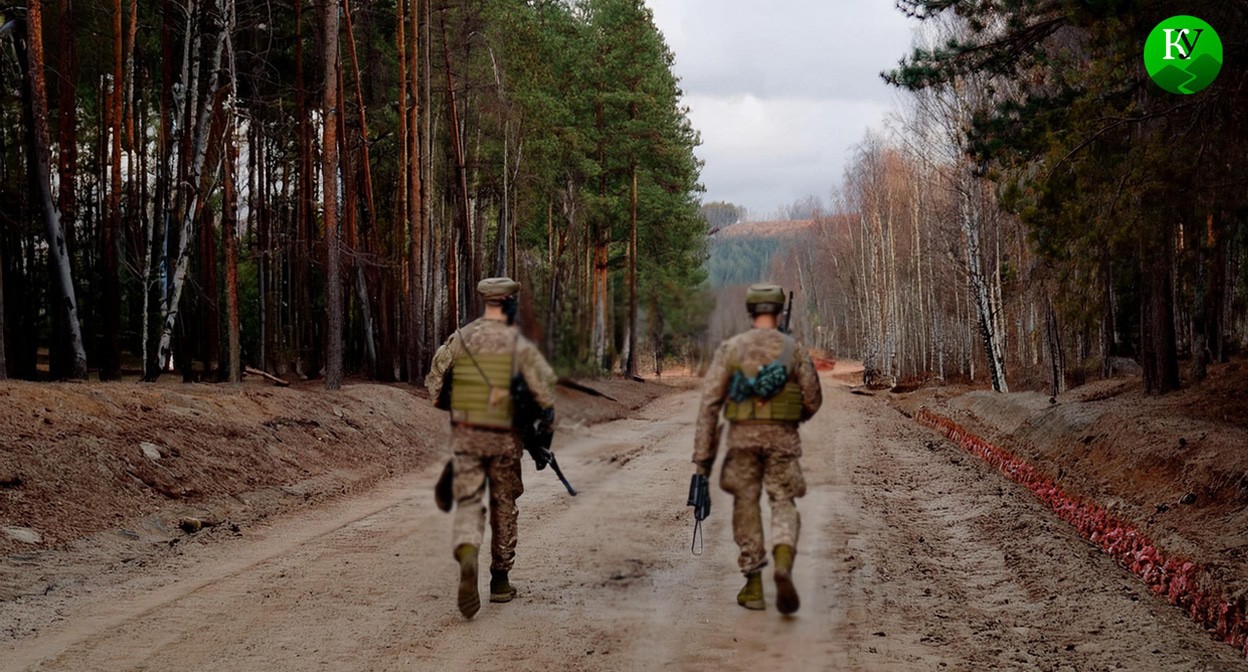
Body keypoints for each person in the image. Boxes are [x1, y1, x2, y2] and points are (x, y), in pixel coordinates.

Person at [426, 277, 557, 619]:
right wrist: (542, 442)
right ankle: (500, 581)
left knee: (469, 500)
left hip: (468, 436)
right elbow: (546, 401)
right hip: (505, 441)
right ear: (510, 303)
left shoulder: (462, 337)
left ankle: (468, 554)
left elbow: (434, 381)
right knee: (503, 504)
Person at [691, 283, 823, 614]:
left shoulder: (731, 349)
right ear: (779, 312)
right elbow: (812, 399)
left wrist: (702, 462)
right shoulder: (794, 350)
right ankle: (782, 560)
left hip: (742, 441)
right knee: (782, 500)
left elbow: (709, 406)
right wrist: (792, 418)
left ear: (751, 312)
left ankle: (752, 585)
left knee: (745, 503)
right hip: (782, 440)